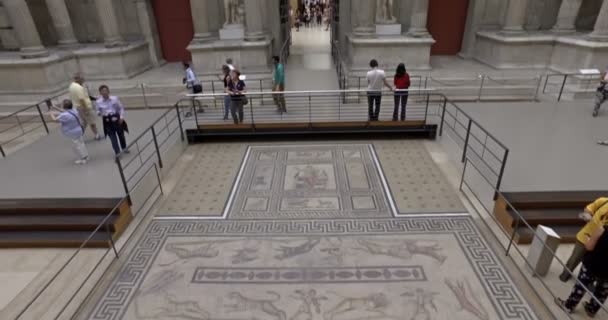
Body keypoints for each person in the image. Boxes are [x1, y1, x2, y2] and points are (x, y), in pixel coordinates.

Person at [555, 225, 608, 317]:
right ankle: (592, 309)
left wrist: (588, 239)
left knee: (581, 286)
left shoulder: (602, 229)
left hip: (592, 264)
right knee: (602, 291)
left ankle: (569, 306)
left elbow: (589, 247)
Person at [560, 197, 608, 282]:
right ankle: (565, 275)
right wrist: (587, 215)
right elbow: (589, 209)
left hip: (601, 244)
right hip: (585, 237)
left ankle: (588, 282)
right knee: (574, 259)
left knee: (594, 264)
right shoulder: (603, 201)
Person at [49, 99, 89, 165]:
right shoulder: (74, 110)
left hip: (72, 132)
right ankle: (86, 156)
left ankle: (83, 158)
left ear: (64, 106)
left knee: (76, 146)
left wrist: (51, 113)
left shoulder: (64, 115)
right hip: (79, 129)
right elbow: (64, 111)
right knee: (81, 143)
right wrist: (55, 108)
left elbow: (55, 119)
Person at [95, 85, 129, 156]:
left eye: (105, 91)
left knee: (121, 135)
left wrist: (121, 117)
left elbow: (121, 108)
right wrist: (100, 113)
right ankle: (117, 152)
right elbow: (98, 111)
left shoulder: (115, 99)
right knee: (112, 138)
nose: (104, 92)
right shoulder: (98, 102)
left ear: (108, 91)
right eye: (102, 91)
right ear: (100, 93)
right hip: (107, 121)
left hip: (116, 118)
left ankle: (124, 147)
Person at [69, 73, 101, 140]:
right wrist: (85, 109)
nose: (83, 80)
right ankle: (96, 134)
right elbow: (82, 99)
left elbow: (86, 96)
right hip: (83, 107)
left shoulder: (72, 86)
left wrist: (95, 98)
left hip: (79, 107)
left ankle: (79, 136)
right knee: (91, 121)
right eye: (82, 79)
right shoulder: (78, 88)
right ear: (77, 79)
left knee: (84, 122)